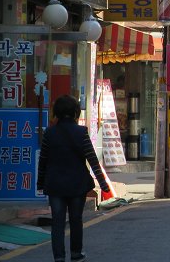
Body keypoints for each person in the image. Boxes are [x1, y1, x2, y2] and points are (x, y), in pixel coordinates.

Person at [37, 95, 110, 262]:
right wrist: (103, 183)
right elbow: (92, 159)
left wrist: (40, 183)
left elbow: (43, 161)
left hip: (55, 184)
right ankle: (76, 254)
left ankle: (59, 257)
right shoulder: (81, 132)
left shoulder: (49, 133)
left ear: (56, 112)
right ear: (75, 112)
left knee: (57, 222)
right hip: (77, 184)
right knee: (76, 219)